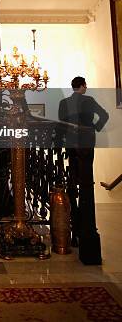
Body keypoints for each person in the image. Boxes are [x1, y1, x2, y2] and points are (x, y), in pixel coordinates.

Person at [58, 76, 109, 264]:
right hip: (87, 143)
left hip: (71, 144)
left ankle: (75, 224)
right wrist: (94, 127)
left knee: (73, 179)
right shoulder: (88, 101)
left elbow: (61, 125)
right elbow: (104, 115)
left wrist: (61, 144)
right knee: (87, 180)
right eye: (85, 85)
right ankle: (86, 226)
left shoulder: (65, 102)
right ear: (83, 86)